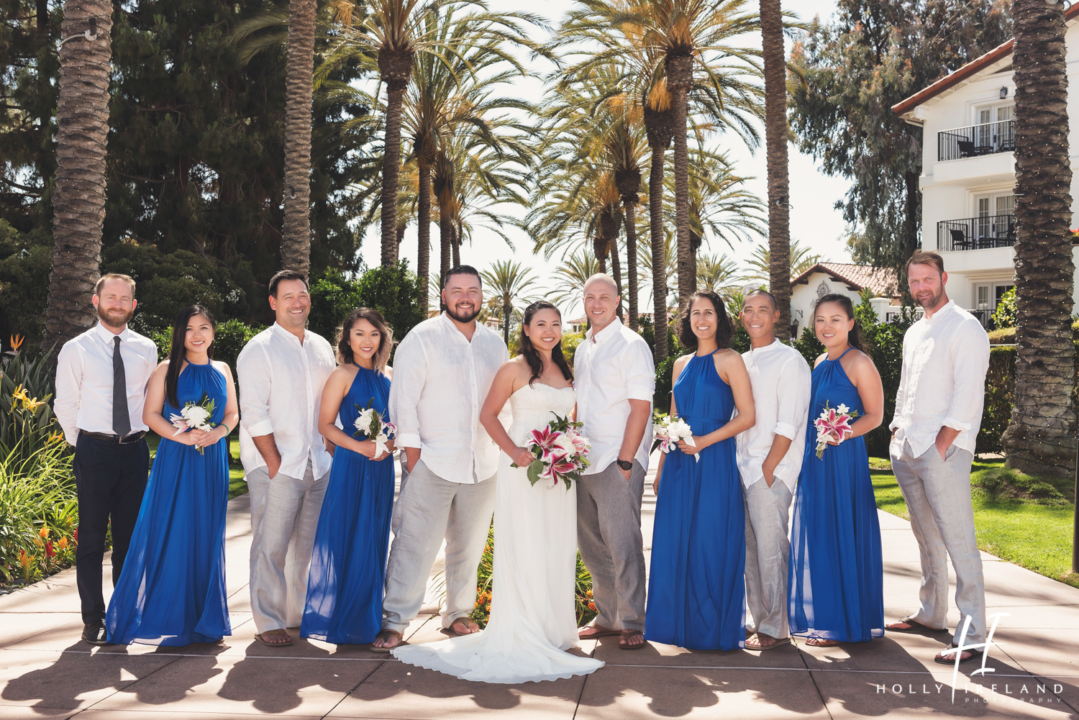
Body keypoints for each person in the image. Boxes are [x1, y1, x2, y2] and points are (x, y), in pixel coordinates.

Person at [392, 301, 604, 682]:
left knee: (556, 545)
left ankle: (557, 632)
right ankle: (523, 629)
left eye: (556, 323)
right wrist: (516, 452)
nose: (550, 330)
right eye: (540, 324)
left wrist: (571, 448)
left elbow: (571, 421)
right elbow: (487, 415)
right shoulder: (513, 368)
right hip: (522, 470)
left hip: (559, 476)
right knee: (525, 544)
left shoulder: (566, 369)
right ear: (525, 329)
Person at [373, 266, 508, 651]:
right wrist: (414, 456)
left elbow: (502, 402)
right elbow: (404, 398)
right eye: (457, 290)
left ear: (482, 296)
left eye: (473, 290)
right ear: (444, 295)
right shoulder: (422, 337)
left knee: (469, 544)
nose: (465, 297)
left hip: (482, 462)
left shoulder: (495, 344)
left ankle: (458, 613)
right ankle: (394, 619)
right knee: (415, 544)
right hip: (431, 459)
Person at [106, 305, 239, 646]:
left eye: (204, 327)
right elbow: (151, 415)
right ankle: (173, 617)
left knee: (207, 534)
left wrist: (219, 431)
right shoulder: (167, 369)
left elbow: (234, 413)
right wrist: (183, 435)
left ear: (213, 331)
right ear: (180, 334)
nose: (198, 334)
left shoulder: (223, 368)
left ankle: (205, 620)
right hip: (177, 460)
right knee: (176, 531)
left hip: (212, 461)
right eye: (190, 328)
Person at [884, 252, 990, 665]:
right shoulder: (914, 331)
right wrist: (897, 430)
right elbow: (908, 386)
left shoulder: (965, 327)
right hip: (908, 446)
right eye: (915, 281)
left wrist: (943, 443)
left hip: (942, 450)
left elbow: (967, 393)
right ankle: (931, 614)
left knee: (959, 540)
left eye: (928, 279)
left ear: (943, 278)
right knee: (926, 536)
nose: (922, 287)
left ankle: (974, 633)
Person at [646, 291, 755, 651]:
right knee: (676, 540)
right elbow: (673, 418)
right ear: (687, 319)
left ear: (720, 319)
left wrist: (705, 442)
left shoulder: (730, 359)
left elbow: (748, 416)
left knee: (709, 540)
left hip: (713, 459)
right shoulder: (680, 363)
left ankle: (710, 630)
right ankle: (676, 627)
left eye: (709, 312)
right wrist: (661, 466)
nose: (702, 319)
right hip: (678, 461)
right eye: (695, 313)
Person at [54, 274, 158, 646]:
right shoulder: (76, 349)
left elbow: (150, 400)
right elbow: (65, 404)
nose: (117, 303)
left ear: (133, 305)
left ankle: (124, 612)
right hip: (94, 450)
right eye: (110, 296)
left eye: (124, 298)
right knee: (93, 538)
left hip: (134, 450)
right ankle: (93, 618)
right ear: (95, 301)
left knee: (130, 538)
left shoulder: (147, 348)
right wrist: (83, 443)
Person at [238, 270, 337, 648]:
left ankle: (295, 615)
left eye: (303, 295)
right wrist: (273, 461)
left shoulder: (322, 346)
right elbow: (253, 411)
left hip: (317, 462)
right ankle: (268, 620)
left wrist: (327, 450)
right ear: (273, 303)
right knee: (271, 546)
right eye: (288, 296)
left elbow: (329, 403)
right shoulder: (258, 349)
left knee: (304, 548)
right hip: (276, 465)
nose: (297, 302)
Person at [789, 294, 885, 646]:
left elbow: (875, 415)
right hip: (815, 464)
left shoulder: (858, 361)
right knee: (820, 537)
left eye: (835, 319)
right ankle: (828, 616)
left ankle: (840, 623)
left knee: (841, 532)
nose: (826, 326)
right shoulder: (817, 361)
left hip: (843, 460)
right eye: (820, 320)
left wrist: (838, 433)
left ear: (850, 324)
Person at [301, 308, 396, 645]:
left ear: (382, 337)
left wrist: (388, 445)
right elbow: (325, 425)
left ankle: (368, 620)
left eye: (373, 333)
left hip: (381, 466)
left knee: (373, 538)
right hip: (352, 464)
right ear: (347, 338)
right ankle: (344, 618)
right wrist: (360, 448)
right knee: (347, 534)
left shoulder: (390, 377)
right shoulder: (342, 374)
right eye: (359, 333)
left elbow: (400, 424)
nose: (366, 340)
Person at [574, 274, 655, 650]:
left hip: (615, 458)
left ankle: (633, 620)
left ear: (618, 300)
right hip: (583, 459)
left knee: (623, 542)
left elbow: (641, 406)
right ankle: (608, 616)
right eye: (590, 297)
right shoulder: (582, 348)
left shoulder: (631, 345)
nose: (596, 304)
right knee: (592, 544)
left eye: (604, 297)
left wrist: (626, 461)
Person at [738, 290, 811, 651]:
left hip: (770, 470)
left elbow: (790, 422)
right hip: (741, 468)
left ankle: (775, 626)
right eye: (748, 310)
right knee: (750, 552)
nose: (755, 316)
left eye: (762, 310)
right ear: (740, 317)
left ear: (776, 315)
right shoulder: (741, 360)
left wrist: (768, 468)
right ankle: (758, 618)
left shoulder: (790, 360)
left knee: (770, 550)